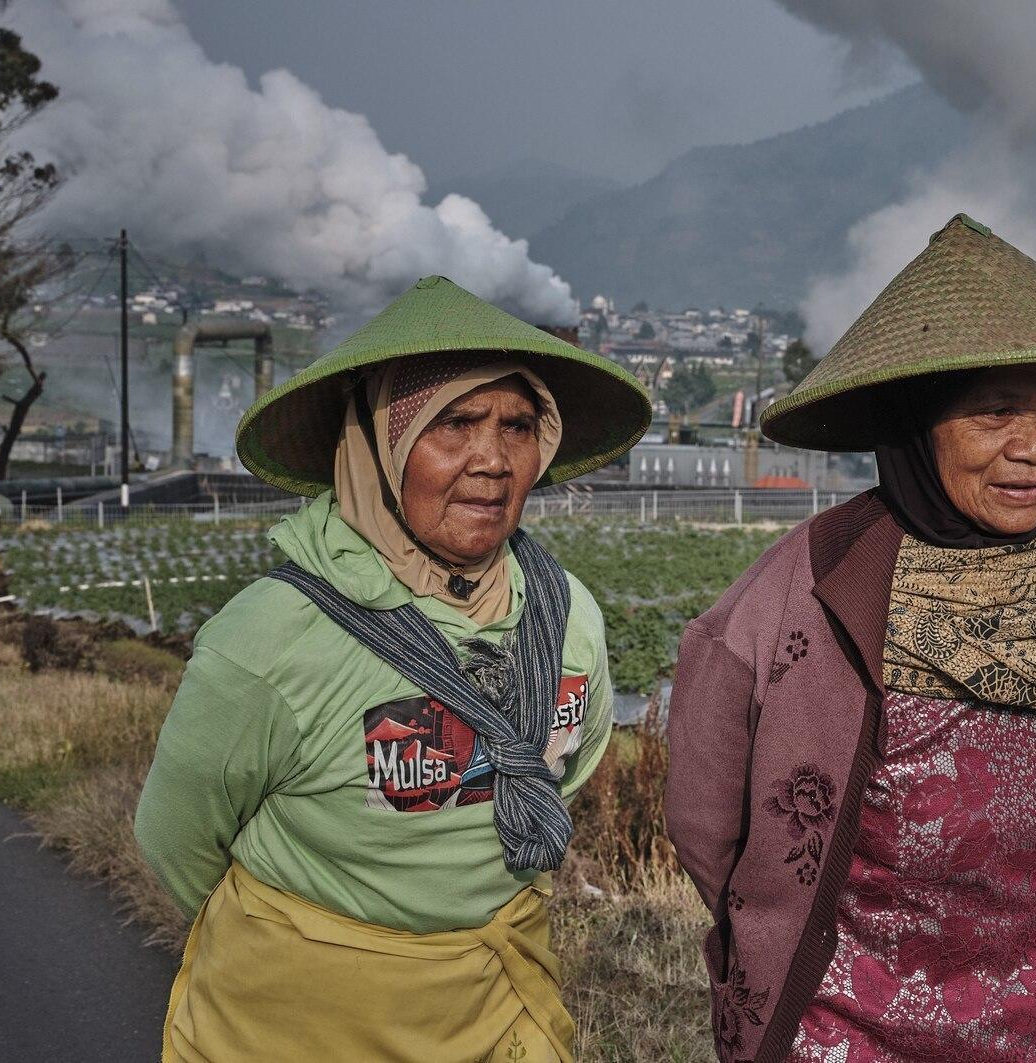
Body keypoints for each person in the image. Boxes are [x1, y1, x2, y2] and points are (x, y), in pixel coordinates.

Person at [665, 214, 1036, 1063]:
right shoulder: (804, 590)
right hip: (846, 1027)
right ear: (916, 422)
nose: (1033, 447)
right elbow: (705, 825)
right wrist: (778, 925)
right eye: (992, 411)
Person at [134, 276, 651, 1062]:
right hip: (295, 1025)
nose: (493, 459)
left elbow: (561, 776)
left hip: (493, 1008)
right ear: (379, 445)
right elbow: (177, 838)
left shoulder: (568, 615)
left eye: (517, 426)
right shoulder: (272, 636)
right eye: (455, 423)